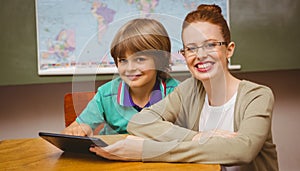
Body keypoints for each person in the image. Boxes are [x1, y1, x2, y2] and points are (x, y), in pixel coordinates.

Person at [89, 4, 279, 171]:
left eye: (210, 45)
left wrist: (146, 151)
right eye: (191, 48)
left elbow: (242, 151)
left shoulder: (257, 95)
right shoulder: (189, 89)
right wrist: (198, 137)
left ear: (229, 49)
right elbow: (139, 122)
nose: (200, 55)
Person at [62, 18, 179, 136]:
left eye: (140, 59)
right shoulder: (106, 94)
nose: (130, 68)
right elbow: (76, 128)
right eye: (123, 60)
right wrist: (79, 129)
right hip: (112, 153)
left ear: (160, 60)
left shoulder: (177, 92)